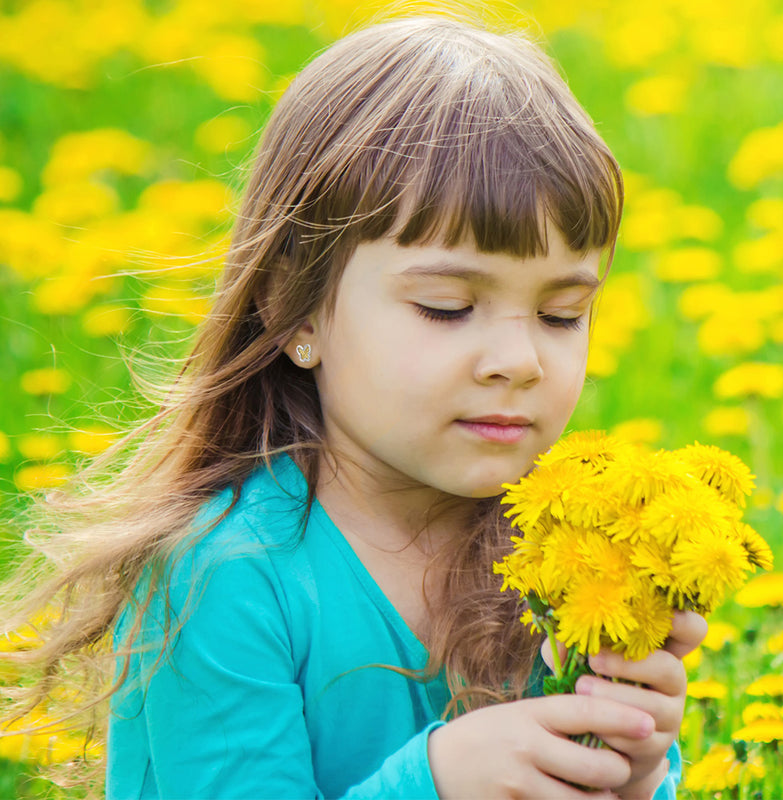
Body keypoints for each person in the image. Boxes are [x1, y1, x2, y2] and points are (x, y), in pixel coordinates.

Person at [1, 12, 707, 800]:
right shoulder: (226, 579)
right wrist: (438, 783)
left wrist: (633, 768)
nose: (519, 361)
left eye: (562, 314)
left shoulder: (559, 558)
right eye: (446, 307)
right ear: (294, 310)